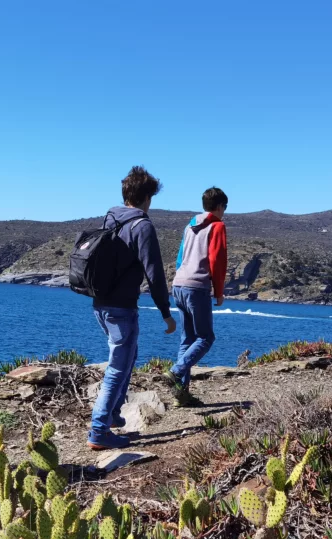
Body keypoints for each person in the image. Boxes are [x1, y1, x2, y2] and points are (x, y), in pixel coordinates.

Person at [88, 166, 176, 450]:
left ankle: (113, 417)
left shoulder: (111, 218)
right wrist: (166, 311)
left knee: (128, 356)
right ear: (147, 197)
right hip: (121, 307)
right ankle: (99, 431)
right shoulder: (142, 225)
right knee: (118, 366)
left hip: (101, 304)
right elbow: (155, 273)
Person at [168, 187, 228, 399]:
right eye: (225, 208)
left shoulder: (189, 227)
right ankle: (176, 371)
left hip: (179, 284)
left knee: (187, 339)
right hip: (197, 286)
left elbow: (179, 258)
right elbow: (217, 261)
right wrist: (219, 292)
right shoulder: (217, 226)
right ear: (220, 206)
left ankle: (180, 395)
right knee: (206, 338)